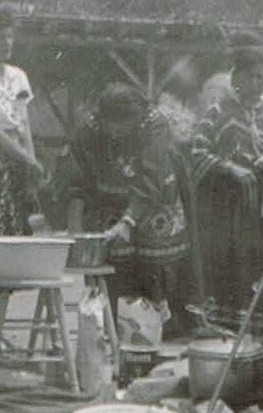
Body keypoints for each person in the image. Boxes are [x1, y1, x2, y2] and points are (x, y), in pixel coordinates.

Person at [191, 36, 263, 316]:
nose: (260, 84)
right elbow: (196, 152)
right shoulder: (218, 112)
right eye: (253, 77)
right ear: (237, 77)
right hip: (230, 208)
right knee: (233, 263)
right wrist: (230, 168)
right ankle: (230, 317)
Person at [65, 83, 192, 336]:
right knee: (114, 257)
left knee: (154, 260)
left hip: (156, 198)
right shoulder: (88, 133)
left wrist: (128, 221)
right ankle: (115, 325)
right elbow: (76, 183)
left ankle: (157, 328)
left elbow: (150, 179)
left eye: (123, 127)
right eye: (111, 126)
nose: (116, 133)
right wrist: (75, 233)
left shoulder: (155, 126)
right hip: (109, 200)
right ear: (101, 119)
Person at [0, 8, 43, 236]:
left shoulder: (18, 76)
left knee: (25, 225)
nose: (6, 42)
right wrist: (26, 159)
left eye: (9, 36)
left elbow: (24, 124)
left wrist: (31, 163)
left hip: (20, 162)